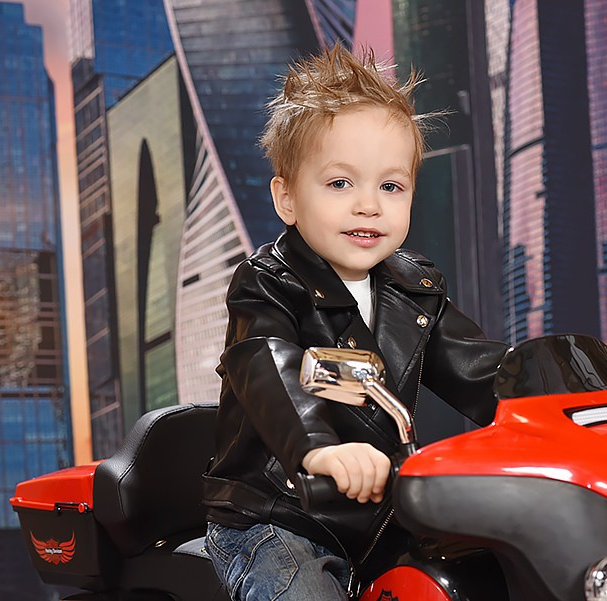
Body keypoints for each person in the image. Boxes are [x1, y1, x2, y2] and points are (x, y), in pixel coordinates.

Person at [202, 43, 509, 601]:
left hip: (383, 519)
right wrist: (319, 448)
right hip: (280, 517)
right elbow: (270, 366)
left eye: (390, 186)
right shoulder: (267, 283)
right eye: (340, 183)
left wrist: (573, 388)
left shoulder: (414, 289)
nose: (369, 205)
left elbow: (481, 367)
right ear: (287, 198)